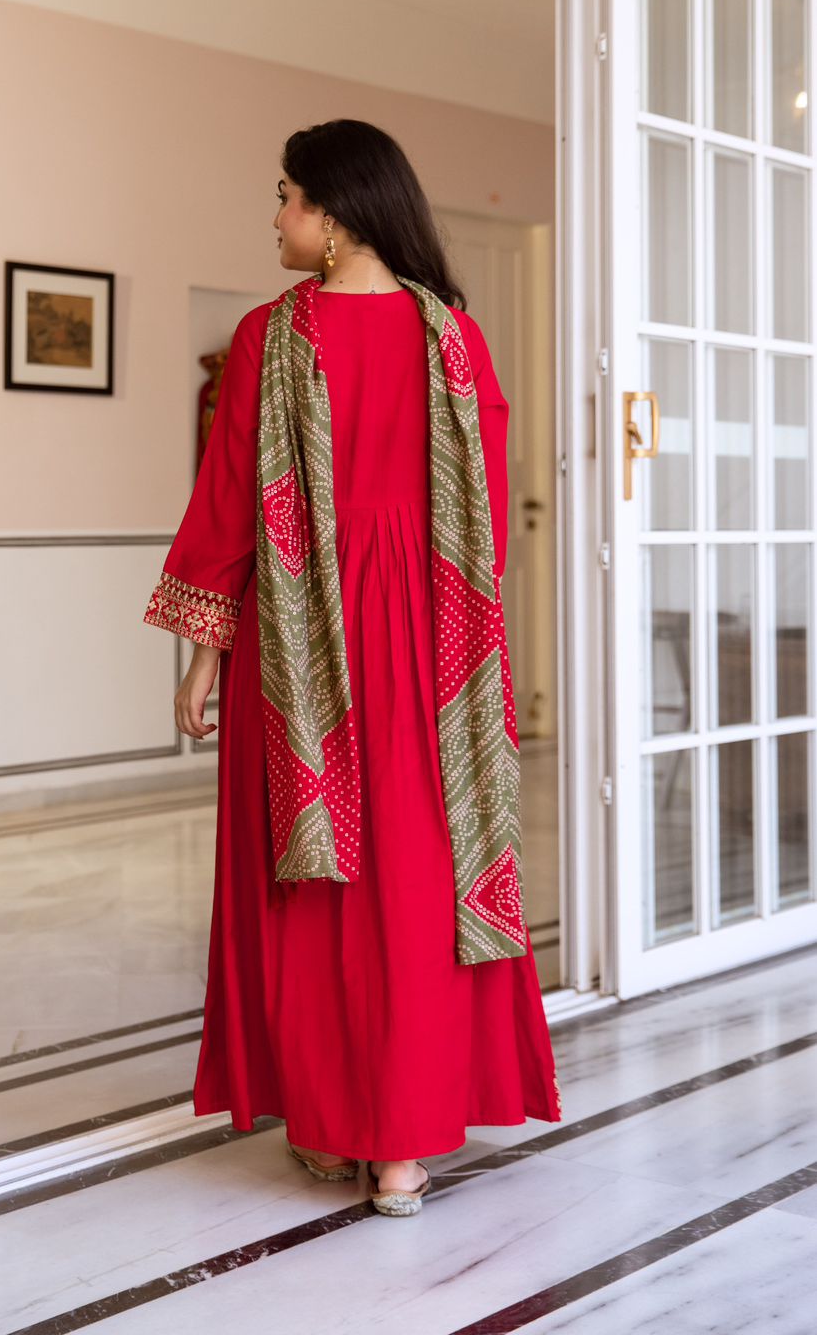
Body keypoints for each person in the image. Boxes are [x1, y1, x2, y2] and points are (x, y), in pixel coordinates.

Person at [143, 118, 561, 1218]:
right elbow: (482, 523)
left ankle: (335, 1128)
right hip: (431, 644)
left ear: (334, 214)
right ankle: (403, 1154)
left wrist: (201, 658)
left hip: (300, 641)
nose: (275, 216)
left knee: (315, 880)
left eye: (286, 197)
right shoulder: (452, 339)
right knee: (421, 886)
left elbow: (227, 509)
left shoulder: (270, 338)